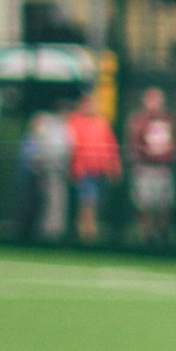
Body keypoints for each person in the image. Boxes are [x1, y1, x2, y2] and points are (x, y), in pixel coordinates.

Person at [67, 90, 121, 244]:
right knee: (87, 202)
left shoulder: (101, 122)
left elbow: (111, 146)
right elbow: (71, 148)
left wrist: (114, 166)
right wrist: (74, 168)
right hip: (84, 171)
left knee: (96, 204)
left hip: (101, 171)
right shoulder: (74, 122)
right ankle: (87, 236)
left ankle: (87, 232)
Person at [128, 86, 176, 245]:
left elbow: (175, 141)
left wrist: (169, 156)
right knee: (144, 204)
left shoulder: (168, 119)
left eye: (157, 99)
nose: (155, 103)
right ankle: (147, 236)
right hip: (145, 167)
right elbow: (134, 142)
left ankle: (163, 233)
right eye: (151, 99)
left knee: (165, 204)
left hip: (163, 168)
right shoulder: (138, 119)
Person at [18, 100, 71, 243]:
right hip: (43, 172)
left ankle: (48, 234)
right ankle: (44, 235)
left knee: (52, 204)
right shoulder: (46, 123)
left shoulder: (60, 125)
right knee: (43, 204)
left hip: (52, 170)